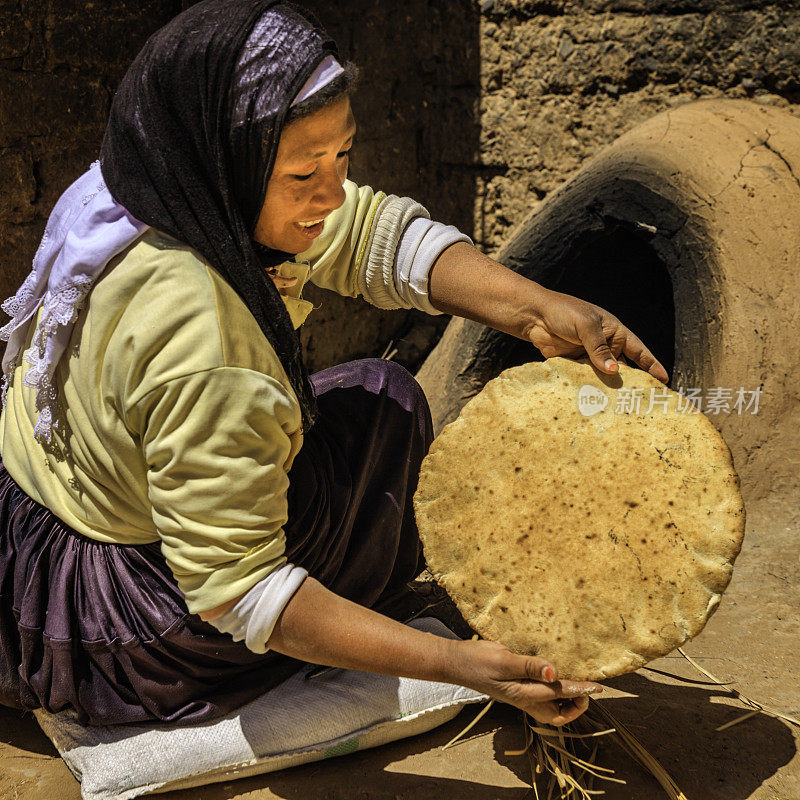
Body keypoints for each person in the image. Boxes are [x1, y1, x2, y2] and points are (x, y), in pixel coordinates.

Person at [0, 0, 669, 730]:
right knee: (388, 417)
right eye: (303, 174)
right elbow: (240, 591)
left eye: (342, 156)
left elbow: (365, 231)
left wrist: (535, 307)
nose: (330, 192)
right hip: (127, 622)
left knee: (376, 397)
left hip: (36, 514)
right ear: (228, 164)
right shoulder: (205, 341)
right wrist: (450, 663)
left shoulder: (145, 184)